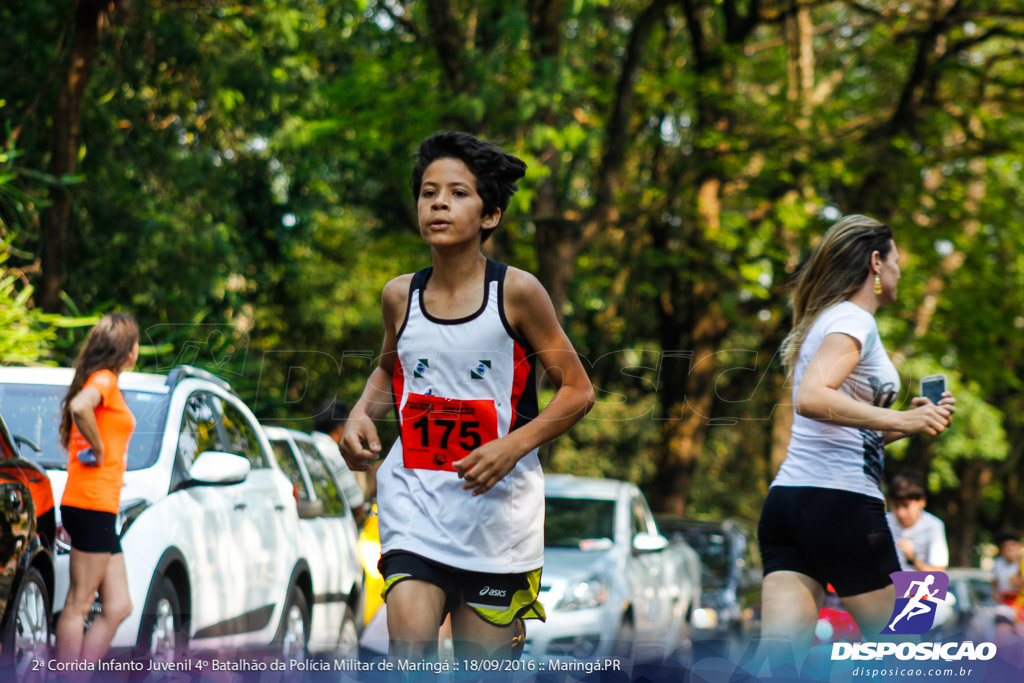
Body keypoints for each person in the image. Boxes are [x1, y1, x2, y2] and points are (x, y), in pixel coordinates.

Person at [339, 131, 594, 661]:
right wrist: (362, 415)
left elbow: (578, 391)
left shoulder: (517, 292)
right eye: (429, 192)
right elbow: (389, 373)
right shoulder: (399, 295)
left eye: (457, 193)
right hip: (415, 506)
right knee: (407, 653)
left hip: (497, 519)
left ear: (490, 215)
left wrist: (510, 447)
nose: (438, 203)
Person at [757, 215, 956, 659]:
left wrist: (904, 421)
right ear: (876, 263)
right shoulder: (854, 320)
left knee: (779, 661)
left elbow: (842, 430)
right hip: (840, 504)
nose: (901, 271)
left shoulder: (830, 319)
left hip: (790, 503)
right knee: (911, 645)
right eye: (898, 261)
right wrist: (904, 422)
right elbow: (812, 398)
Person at [55, 313, 139, 662]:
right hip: (90, 504)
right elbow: (79, 406)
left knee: (119, 605)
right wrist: (100, 448)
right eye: (135, 343)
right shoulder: (103, 379)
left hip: (100, 506)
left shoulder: (104, 382)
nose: (138, 349)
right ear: (125, 349)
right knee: (79, 603)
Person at [312, 398, 370, 523]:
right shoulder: (334, 454)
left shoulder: (306, 447)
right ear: (340, 429)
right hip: (331, 523)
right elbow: (355, 504)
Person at [886, 471, 949, 572]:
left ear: (922, 501)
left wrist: (912, 559)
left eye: (906, 506)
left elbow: (939, 575)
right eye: (896, 506)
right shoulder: (885, 522)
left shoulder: (933, 526)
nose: (901, 513)